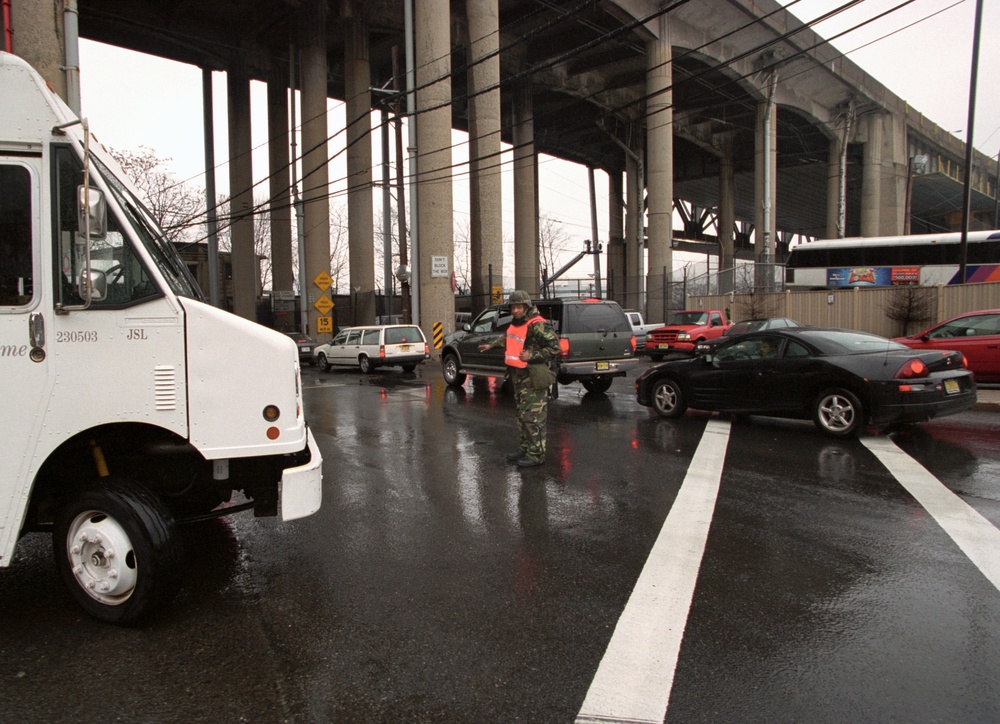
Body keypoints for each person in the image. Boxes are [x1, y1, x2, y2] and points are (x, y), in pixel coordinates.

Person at [479, 290, 560, 468]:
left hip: (532, 377)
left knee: (533, 417)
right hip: (518, 377)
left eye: (519, 307)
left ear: (526, 307)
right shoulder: (517, 324)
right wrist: (491, 345)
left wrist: (533, 354)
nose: (515, 310)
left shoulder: (537, 324)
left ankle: (537, 454)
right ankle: (525, 449)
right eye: (513, 307)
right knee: (522, 416)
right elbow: (508, 338)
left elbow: (555, 348)